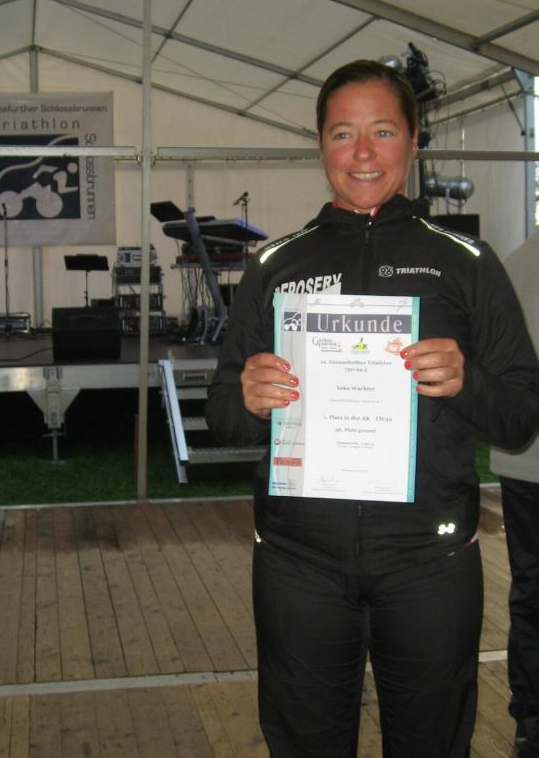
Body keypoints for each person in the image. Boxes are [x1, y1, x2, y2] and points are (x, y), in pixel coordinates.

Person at [205, 59, 539, 758]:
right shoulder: (275, 266)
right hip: (297, 561)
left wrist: (467, 381)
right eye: (342, 134)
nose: (362, 154)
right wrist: (249, 398)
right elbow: (224, 418)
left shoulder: (467, 262)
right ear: (320, 145)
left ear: (414, 140)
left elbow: (518, 417)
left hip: (430, 561)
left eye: (382, 131)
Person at [490, 227, 539, 758]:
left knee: (530, 590)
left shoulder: (511, 264)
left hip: (522, 464)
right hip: (528, 461)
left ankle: (530, 717)